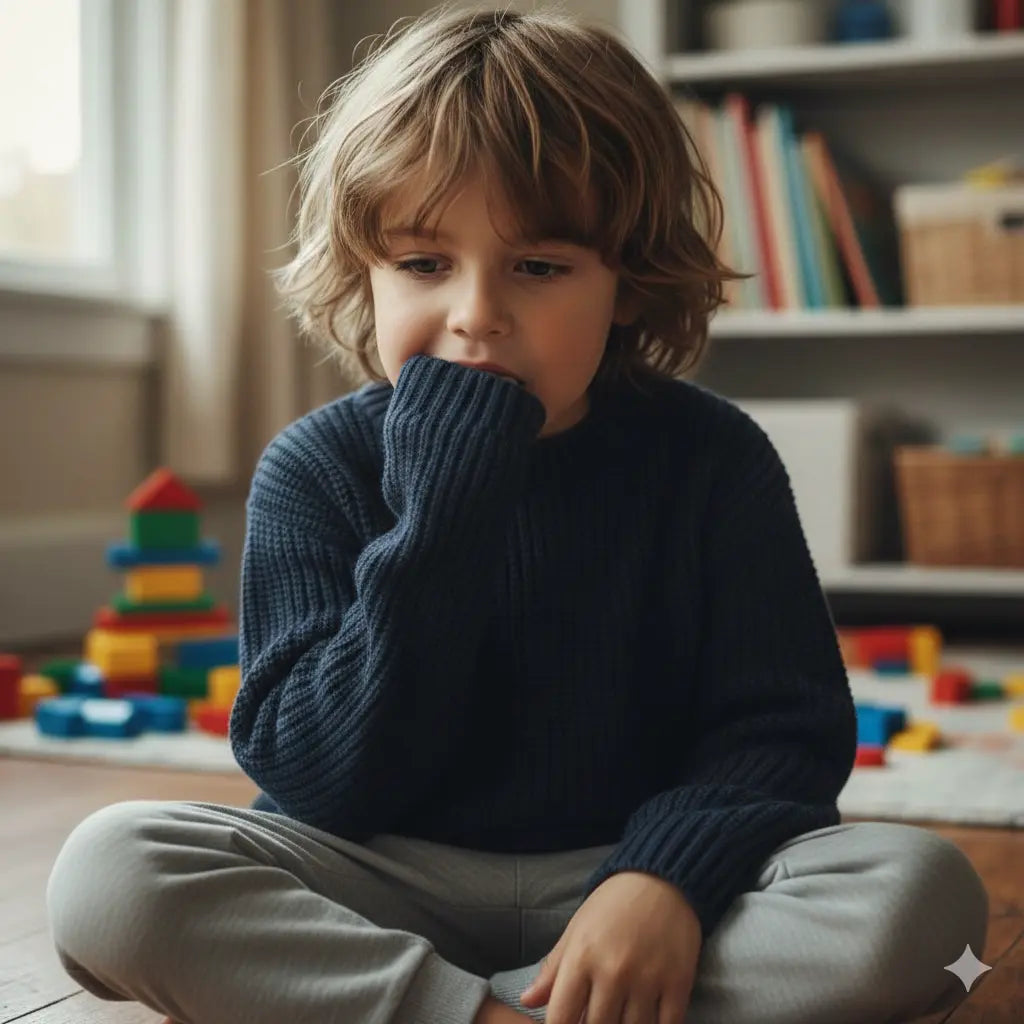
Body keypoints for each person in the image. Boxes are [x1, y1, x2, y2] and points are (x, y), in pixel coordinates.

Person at [46, 5, 988, 1024]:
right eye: (422, 263)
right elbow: (319, 776)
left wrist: (661, 880)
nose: (474, 313)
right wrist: (441, 517)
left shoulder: (712, 459)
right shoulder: (317, 467)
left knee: (932, 903)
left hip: (631, 880)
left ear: (624, 282)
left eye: (536, 267)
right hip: (374, 871)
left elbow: (783, 733)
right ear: (364, 271)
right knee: (111, 873)